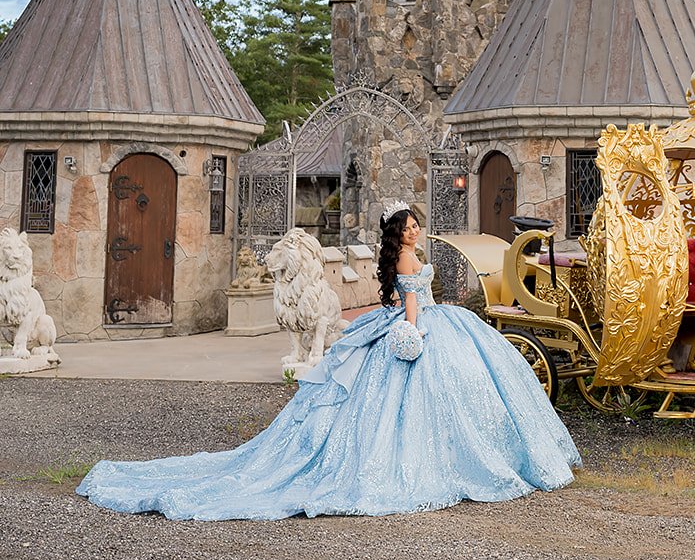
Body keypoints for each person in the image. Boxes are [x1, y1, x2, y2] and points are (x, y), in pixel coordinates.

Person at [77, 203, 580, 520]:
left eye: (416, 225)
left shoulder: (405, 256)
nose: (416, 231)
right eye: (410, 227)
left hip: (421, 318)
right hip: (418, 325)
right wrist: (414, 336)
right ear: (400, 236)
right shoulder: (407, 261)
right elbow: (409, 305)